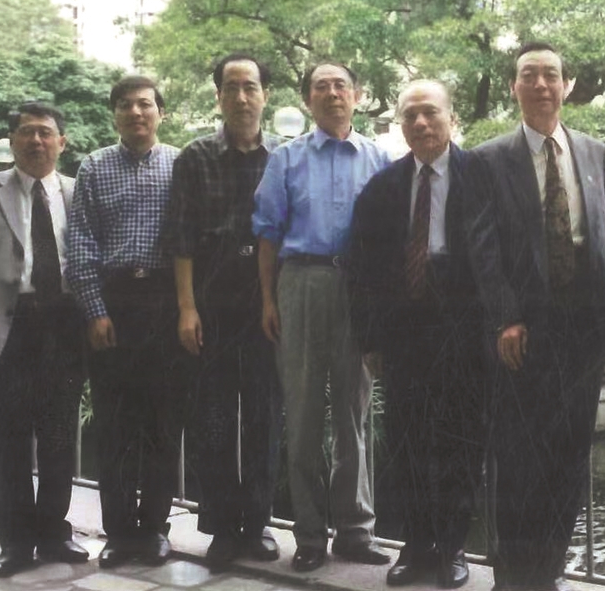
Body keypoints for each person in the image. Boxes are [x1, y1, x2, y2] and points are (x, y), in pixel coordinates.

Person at [469, 42, 605, 591]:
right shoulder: (488, 159)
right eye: (528, 75)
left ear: (567, 85)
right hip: (523, 330)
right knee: (516, 457)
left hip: (584, 329)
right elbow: (482, 249)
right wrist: (506, 317)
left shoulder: (595, 153)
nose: (540, 85)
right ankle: (512, 577)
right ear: (514, 87)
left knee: (569, 455)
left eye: (550, 75)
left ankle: (548, 573)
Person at [252, 62, 391, 573]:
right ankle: (310, 534)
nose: (332, 93)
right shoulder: (286, 158)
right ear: (308, 99)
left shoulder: (379, 159)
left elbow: (389, 238)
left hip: (358, 287)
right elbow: (267, 234)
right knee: (304, 413)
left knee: (354, 412)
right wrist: (269, 301)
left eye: (341, 85)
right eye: (321, 87)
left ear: (357, 95)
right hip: (301, 283)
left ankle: (355, 530)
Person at [346, 81, 485, 589]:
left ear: (451, 118)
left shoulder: (482, 176)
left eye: (430, 113)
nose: (421, 123)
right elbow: (360, 267)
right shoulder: (383, 186)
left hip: (465, 328)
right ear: (400, 124)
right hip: (404, 329)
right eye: (410, 116)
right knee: (407, 440)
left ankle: (452, 548)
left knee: (460, 441)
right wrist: (369, 340)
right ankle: (416, 546)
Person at [0, 102, 88, 578]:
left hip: (64, 325)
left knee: (59, 436)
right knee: (9, 439)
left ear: (62, 142)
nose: (36, 141)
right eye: (27, 132)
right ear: (12, 141)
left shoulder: (78, 191)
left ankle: (54, 533)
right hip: (8, 327)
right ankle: (16, 542)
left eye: (46, 132)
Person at [166, 54, 282, 570]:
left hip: (264, 303)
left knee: (263, 417)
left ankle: (256, 524)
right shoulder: (195, 156)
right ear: (218, 96)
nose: (241, 97)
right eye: (231, 88)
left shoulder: (282, 157)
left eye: (250, 87)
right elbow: (181, 238)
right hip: (211, 303)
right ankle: (220, 526)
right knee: (211, 418)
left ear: (264, 95)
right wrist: (186, 308)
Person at [67, 75, 186, 568]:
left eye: (145, 104)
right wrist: (95, 310)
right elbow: (80, 242)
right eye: (125, 105)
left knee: (163, 421)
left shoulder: (182, 164)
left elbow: (192, 241)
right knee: (114, 425)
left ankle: (155, 528)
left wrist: (187, 306)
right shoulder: (94, 166)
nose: (136, 113)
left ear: (161, 112)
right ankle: (118, 532)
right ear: (114, 114)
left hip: (166, 300)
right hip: (113, 300)